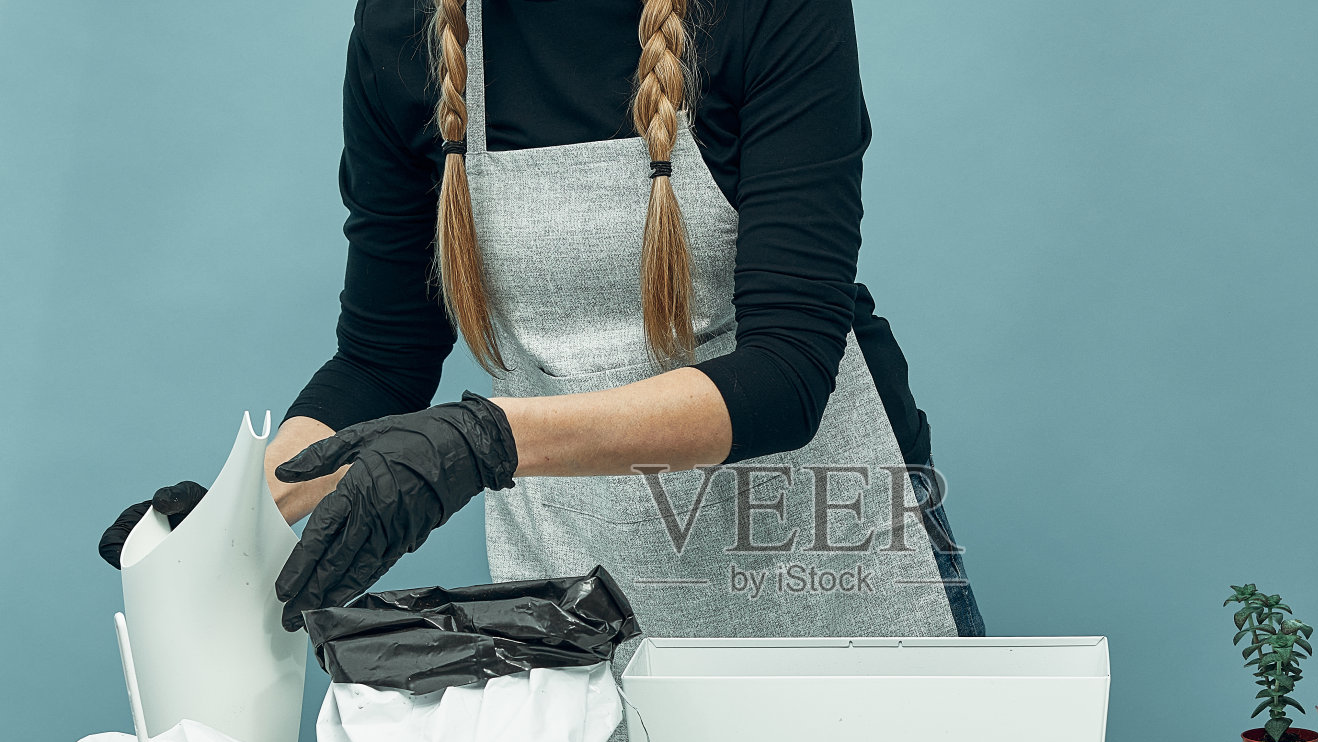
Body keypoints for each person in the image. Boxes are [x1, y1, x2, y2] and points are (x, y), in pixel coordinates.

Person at [100, 0, 985, 663]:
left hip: (819, 576)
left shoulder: (764, 9)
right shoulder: (405, 29)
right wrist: (238, 514)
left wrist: (488, 438)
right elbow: (383, 355)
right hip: (582, 604)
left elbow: (788, 373)